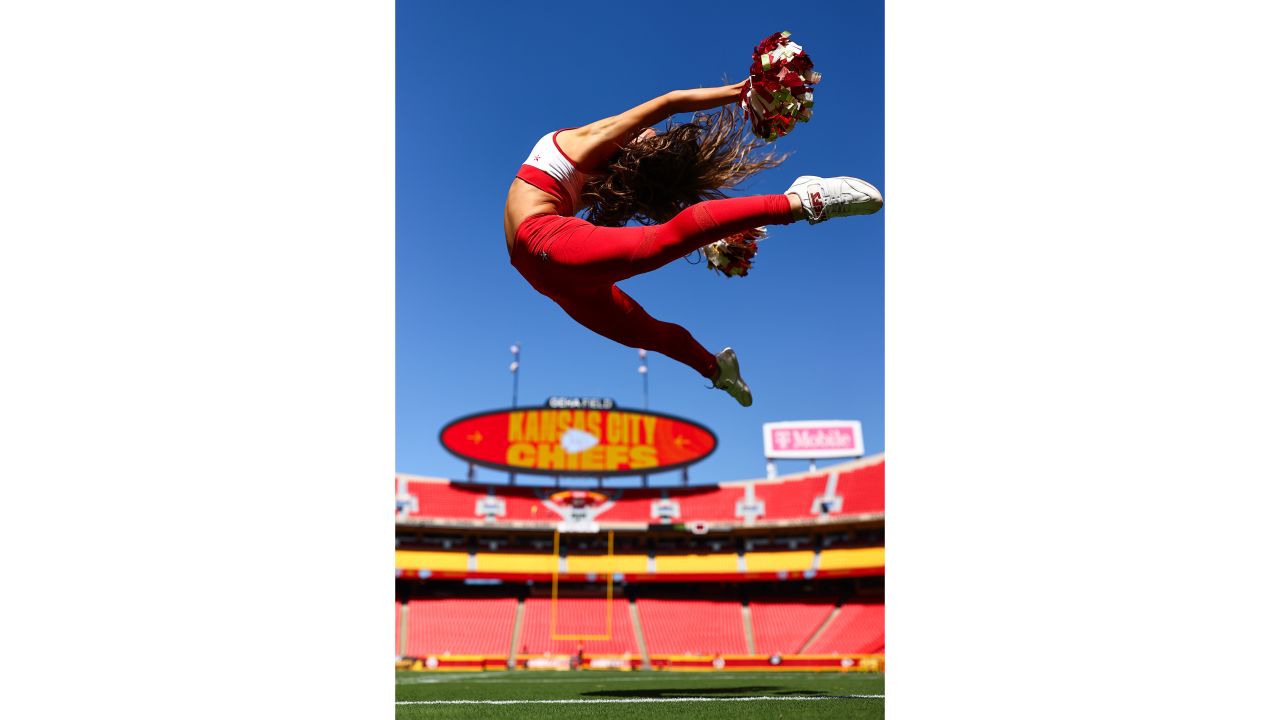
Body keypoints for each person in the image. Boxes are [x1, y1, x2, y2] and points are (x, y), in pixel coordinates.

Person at [504, 80, 882, 407]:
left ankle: (717, 370)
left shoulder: (596, 175)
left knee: (651, 333)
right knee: (660, 248)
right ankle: (799, 202)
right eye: (650, 139)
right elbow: (670, 102)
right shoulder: (586, 140)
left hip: (551, 271)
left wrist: (711, 240)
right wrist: (741, 91)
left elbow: (672, 228)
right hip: (544, 253)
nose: (652, 135)